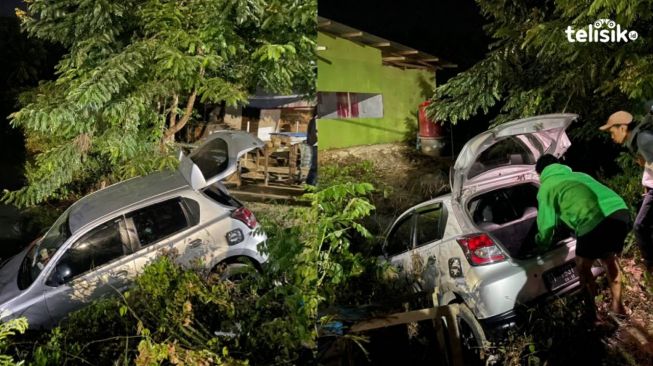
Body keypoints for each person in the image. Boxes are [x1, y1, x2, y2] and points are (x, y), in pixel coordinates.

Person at [534, 154, 630, 319]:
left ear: (540, 173)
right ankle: (618, 307)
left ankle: (591, 314)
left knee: (582, 268)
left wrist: (541, 245)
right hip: (620, 212)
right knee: (609, 258)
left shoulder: (546, 187)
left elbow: (547, 224)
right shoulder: (579, 174)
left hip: (593, 221)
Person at [600, 110, 653, 275]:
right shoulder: (638, 141)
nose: (611, 136)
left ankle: (651, 268)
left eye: (612, 131)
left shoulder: (642, 140)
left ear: (623, 128)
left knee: (639, 226)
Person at [305, 111, 318, 186]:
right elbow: (309, 133)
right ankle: (309, 184)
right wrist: (311, 142)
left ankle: (314, 183)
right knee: (315, 165)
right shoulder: (313, 121)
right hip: (316, 144)